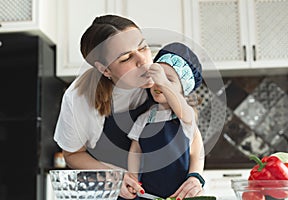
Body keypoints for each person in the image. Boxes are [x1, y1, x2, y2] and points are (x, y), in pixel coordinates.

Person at [53, 14, 204, 199]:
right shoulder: (79, 98)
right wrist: (113, 177)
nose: (143, 61)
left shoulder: (160, 81)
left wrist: (195, 176)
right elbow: (72, 154)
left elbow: (192, 133)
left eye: (143, 47)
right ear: (105, 69)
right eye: (126, 58)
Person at [126, 43, 205, 199]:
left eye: (169, 80)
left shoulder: (185, 117)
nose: (159, 84)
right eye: (156, 78)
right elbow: (135, 150)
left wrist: (195, 176)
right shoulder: (144, 118)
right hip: (148, 194)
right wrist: (133, 177)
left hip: (181, 194)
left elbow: (197, 149)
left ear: (184, 90)